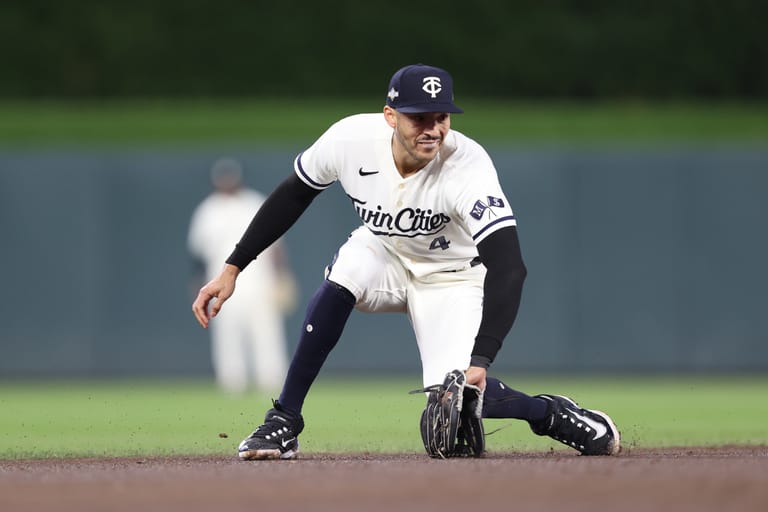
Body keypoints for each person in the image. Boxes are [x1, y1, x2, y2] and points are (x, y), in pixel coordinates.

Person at [192, 64, 620, 459]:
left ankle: (548, 414)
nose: (433, 129)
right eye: (420, 117)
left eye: (442, 117)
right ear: (390, 116)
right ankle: (284, 420)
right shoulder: (349, 140)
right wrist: (233, 268)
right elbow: (294, 194)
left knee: (458, 397)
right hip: (386, 254)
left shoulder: (467, 168)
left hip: (453, 278)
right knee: (348, 271)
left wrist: (480, 361)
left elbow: (509, 267)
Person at [188, 158, 297, 394]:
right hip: (219, 284)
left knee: (266, 335)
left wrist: (282, 277)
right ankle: (232, 384)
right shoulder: (208, 210)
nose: (227, 182)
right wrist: (198, 284)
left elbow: (276, 247)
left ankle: (273, 385)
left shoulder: (254, 203)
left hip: (260, 282)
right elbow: (198, 254)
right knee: (227, 337)